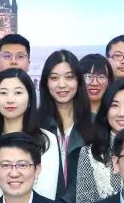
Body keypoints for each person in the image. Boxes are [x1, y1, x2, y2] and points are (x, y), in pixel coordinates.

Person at [0, 69, 59, 203]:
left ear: (30, 99)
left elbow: (47, 192)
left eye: (18, 92)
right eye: (3, 93)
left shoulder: (46, 141)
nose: (10, 99)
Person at [38, 50, 95, 194]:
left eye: (69, 77)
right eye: (54, 78)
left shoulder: (96, 123)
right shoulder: (34, 124)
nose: (62, 84)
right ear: (46, 82)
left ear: (78, 81)